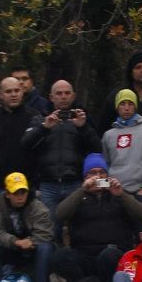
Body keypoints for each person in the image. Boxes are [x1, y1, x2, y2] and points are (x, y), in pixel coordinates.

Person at [51, 154, 142, 282]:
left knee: (108, 255)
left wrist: (121, 195)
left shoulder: (118, 195)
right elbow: (60, 214)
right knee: (60, 257)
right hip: (85, 254)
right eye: (93, 173)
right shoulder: (79, 197)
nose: (98, 177)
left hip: (114, 252)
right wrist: (82, 190)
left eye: (102, 172)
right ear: (85, 177)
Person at [21, 79, 100, 241]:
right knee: (49, 232)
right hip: (48, 184)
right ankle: (51, 264)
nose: (63, 97)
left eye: (67, 93)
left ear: (73, 96)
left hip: (76, 183)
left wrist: (83, 127)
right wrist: (44, 127)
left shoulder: (83, 120)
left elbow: (98, 148)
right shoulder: (40, 119)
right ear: (51, 97)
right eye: (59, 93)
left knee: (80, 229)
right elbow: (25, 144)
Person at [101, 89, 142, 216]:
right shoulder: (108, 135)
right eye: (122, 104)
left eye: (130, 104)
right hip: (116, 193)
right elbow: (105, 166)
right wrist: (107, 187)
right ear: (117, 107)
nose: (126, 108)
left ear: (136, 106)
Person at [0, 173, 54, 282]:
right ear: (7, 194)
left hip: (33, 247)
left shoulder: (37, 206)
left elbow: (46, 233)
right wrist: (15, 242)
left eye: (23, 193)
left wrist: (31, 241)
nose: (20, 197)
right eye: (15, 193)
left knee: (46, 248)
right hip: (10, 247)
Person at [0, 77, 39, 190]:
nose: (13, 94)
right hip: (0, 186)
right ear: (0, 95)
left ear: (22, 92)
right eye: (8, 91)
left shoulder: (34, 117)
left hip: (28, 185)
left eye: (17, 90)